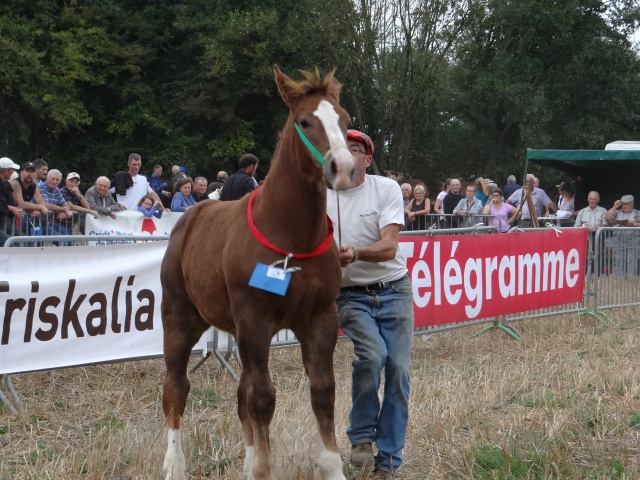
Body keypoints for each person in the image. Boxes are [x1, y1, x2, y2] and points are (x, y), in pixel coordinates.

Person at [327, 129, 413, 479]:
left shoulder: (385, 188)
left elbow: (389, 246)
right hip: (350, 295)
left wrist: (355, 252)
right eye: (340, 149)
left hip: (394, 290)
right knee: (373, 356)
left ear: (367, 158)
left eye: (355, 149)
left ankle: (388, 461)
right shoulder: (322, 196)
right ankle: (362, 439)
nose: (348, 154)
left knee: (398, 370)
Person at [604, 195, 640, 276]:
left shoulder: (637, 213)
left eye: (628, 204)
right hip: (618, 239)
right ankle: (618, 280)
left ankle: (631, 280)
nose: (626, 206)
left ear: (632, 204)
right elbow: (606, 217)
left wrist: (633, 224)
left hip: (633, 239)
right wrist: (614, 207)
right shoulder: (617, 212)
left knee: (631, 259)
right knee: (618, 259)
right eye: (624, 204)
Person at [10, 161, 49, 234]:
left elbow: (42, 202)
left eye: (32, 171)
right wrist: (39, 207)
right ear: (21, 172)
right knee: (17, 242)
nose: (30, 174)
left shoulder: (33, 186)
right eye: (27, 171)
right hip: (8, 218)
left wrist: (36, 209)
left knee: (33, 239)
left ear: (35, 174)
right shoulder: (15, 183)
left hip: (22, 217)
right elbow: (21, 203)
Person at [38, 169, 73, 236]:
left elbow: (66, 205)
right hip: (35, 222)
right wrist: (63, 209)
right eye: (53, 179)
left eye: (57, 180)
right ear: (47, 178)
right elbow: (46, 205)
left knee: (66, 240)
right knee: (35, 245)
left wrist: (62, 211)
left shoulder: (56, 190)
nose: (54, 182)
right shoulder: (41, 187)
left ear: (60, 181)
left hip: (46, 223)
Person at [0, 157, 22, 245]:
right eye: (11, 170)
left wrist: (16, 208)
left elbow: (9, 202)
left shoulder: (7, 185)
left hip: (2, 223)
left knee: (17, 242)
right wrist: (12, 209)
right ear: (5, 171)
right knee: (11, 243)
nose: (13, 172)